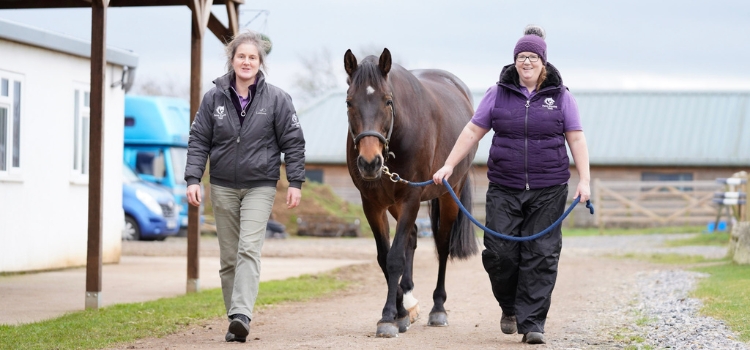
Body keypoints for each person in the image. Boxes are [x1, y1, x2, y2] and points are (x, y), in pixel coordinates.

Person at [432, 25, 590, 345]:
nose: (526, 62)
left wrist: (585, 179)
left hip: (549, 187)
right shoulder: (497, 94)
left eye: (532, 57)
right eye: (521, 57)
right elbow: (473, 132)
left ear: (543, 61)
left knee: (541, 254)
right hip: (505, 186)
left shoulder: (561, 96)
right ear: (514, 61)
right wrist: (449, 164)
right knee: (499, 253)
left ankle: (533, 323)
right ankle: (510, 306)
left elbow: (576, 137)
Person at [184, 30, 306, 343]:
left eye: (252, 57)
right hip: (222, 184)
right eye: (241, 56)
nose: (246, 62)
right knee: (228, 257)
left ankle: (241, 314)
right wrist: (193, 178)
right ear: (232, 60)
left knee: (248, 248)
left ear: (260, 62)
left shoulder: (277, 99)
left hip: (260, 185)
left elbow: (293, 142)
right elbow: (199, 139)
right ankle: (235, 320)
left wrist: (295, 182)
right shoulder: (214, 97)